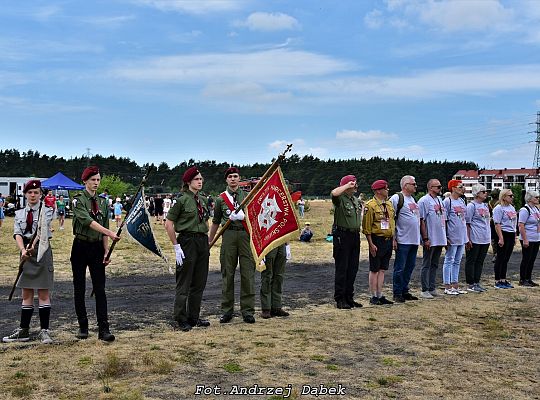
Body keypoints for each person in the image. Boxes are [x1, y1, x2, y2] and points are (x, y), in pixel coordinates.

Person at [71, 166, 120, 341]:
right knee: (80, 287)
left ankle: (104, 329)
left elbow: (105, 224)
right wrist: (110, 233)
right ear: (85, 181)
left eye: (98, 180)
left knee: (100, 288)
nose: (96, 183)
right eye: (93, 180)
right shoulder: (78, 200)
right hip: (80, 246)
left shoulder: (104, 202)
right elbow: (88, 221)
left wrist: (106, 249)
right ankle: (83, 326)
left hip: (97, 247)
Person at [2, 180, 55, 344]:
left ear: (40, 194)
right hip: (25, 252)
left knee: (44, 293)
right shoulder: (18, 214)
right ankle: (23, 330)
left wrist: (32, 247)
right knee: (26, 293)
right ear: (25, 194)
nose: (33, 195)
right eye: (30, 192)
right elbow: (17, 233)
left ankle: (44, 331)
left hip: (41, 252)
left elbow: (41, 231)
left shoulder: (47, 211)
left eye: (36, 192)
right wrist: (23, 250)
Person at [208, 167, 256, 324]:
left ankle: (248, 311)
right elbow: (215, 221)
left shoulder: (248, 196)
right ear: (226, 180)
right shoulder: (221, 199)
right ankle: (226, 311)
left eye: (235, 176)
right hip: (228, 235)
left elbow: (255, 217)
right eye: (230, 177)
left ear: (239, 179)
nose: (233, 179)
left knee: (247, 273)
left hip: (245, 235)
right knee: (227, 273)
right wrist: (210, 240)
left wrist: (245, 216)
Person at [165, 166, 211, 332]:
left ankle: (194, 317)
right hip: (187, 241)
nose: (200, 182)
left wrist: (207, 240)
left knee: (199, 282)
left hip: (201, 242)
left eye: (201, 179)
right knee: (184, 283)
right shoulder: (181, 200)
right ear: (188, 182)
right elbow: (168, 224)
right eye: (197, 179)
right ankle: (180, 318)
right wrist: (176, 246)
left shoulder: (203, 200)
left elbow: (205, 222)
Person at [331, 174, 362, 309]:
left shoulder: (355, 200)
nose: (355, 186)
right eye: (352, 183)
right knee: (342, 268)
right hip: (342, 235)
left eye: (355, 183)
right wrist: (345, 186)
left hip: (354, 236)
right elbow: (334, 193)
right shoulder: (340, 198)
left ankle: (349, 297)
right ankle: (340, 298)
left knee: (353, 268)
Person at [362, 179, 395, 305]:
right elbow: (367, 227)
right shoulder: (370, 206)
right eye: (385, 188)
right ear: (378, 191)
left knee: (382, 269)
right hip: (377, 239)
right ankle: (373, 295)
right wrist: (371, 244)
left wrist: (393, 239)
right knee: (374, 269)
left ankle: (380, 294)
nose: (387, 190)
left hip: (388, 239)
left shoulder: (389, 204)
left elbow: (392, 223)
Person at [390, 175, 421, 303]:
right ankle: (397, 292)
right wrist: (393, 238)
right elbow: (391, 219)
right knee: (400, 267)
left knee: (410, 266)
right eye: (413, 184)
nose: (415, 186)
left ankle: (404, 290)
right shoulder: (397, 198)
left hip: (414, 240)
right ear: (405, 185)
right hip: (403, 240)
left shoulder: (413, 199)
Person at [418, 179, 446, 299]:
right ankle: (424, 289)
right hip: (430, 237)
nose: (440, 188)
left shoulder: (440, 200)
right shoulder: (424, 200)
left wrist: (445, 237)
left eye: (440, 186)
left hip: (440, 237)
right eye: (438, 186)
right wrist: (425, 238)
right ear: (430, 187)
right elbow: (421, 220)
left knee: (435, 264)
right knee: (426, 264)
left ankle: (432, 287)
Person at [442, 180, 468, 295]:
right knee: (449, 260)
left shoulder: (462, 201)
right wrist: (446, 236)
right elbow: (445, 219)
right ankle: (447, 286)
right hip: (452, 236)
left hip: (461, 236)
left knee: (457, 261)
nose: (463, 188)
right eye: (460, 186)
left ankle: (455, 285)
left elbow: (464, 219)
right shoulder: (447, 202)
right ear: (453, 188)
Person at [464, 184, 490, 293]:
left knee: (480, 261)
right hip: (475, 237)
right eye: (483, 192)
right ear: (477, 193)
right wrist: (468, 238)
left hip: (485, 238)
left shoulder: (485, 206)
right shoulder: (471, 206)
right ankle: (470, 283)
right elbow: (467, 223)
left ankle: (477, 282)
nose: (486, 193)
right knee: (471, 260)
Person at [492, 189, 517, 289]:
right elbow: (497, 224)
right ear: (504, 197)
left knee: (506, 258)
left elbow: (514, 223)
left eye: (512, 195)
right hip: (503, 233)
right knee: (500, 258)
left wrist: (514, 236)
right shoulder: (499, 208)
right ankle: (497, 280)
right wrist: (501, 238)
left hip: (511, 233)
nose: (512, 197)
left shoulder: (512, 208)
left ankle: (503, 279)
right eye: (510, 196)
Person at [260, 243, 291, 319]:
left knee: (279, 276)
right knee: (267, 276)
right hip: (269, 241)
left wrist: (287, 245)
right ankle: (266, 308)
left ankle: (276, 307)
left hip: (281, 242)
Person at [517, 190, 540, 287]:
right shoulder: (525, 210)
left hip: (536, 238)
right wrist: (525, 239)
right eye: (536, 197)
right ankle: (523, 279)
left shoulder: (536, 209)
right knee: (526, 259)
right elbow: (521, 225)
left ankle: (528, 278)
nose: (538, 199)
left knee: (532, 259)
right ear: (530, 199)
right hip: (528, 237)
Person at [488, 189, 500, 263]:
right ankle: (498, 254)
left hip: (491, 222)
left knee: (493, 239)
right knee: (499, 237)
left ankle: (494, 253)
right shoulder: (499, 203)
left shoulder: (489, 203)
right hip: (498, 222)